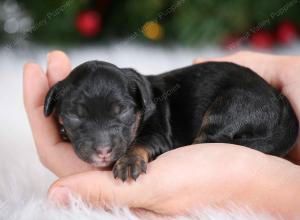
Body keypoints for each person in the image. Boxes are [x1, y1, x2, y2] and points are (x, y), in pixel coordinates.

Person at [23, 51, 300, 218]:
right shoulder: (129, 98)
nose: (103, 144)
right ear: (55, 108)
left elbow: (156, 138)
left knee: (221, 116)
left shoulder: (155, 106)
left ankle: (209, 143)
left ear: (141, 100)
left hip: (247, 103)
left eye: (120, 114)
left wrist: (136, 153)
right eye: (77, 116)